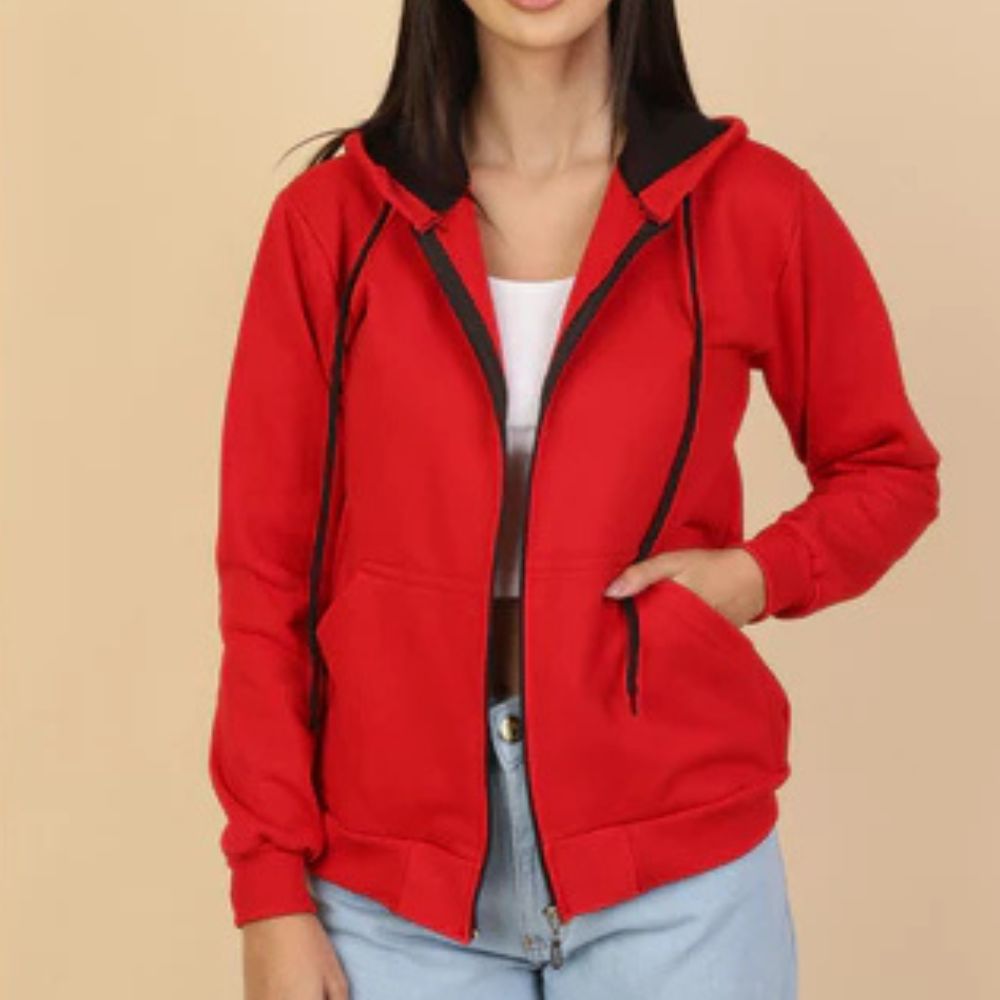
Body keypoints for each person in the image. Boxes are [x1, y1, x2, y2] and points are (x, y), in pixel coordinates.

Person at [208, 1, 942, 997]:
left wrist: (748, 578)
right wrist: (270, 891)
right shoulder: (333, 221)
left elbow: (887, 468)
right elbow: (266, 575)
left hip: (679, 880)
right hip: (389, 894)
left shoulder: (748, 205)